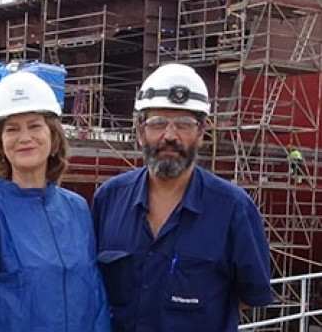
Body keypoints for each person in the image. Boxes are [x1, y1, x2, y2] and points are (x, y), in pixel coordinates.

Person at [92, 63, 273, 331]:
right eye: (158, 123)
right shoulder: (108, 199)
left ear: (201, 133)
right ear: (141, 131)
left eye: (184, 124)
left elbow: (251, 294)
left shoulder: (234, 209)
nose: (170, 136)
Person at [0, 71, 110, 331]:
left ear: (53, 135)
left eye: (35, 125)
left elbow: (96, 299)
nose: (25, 137)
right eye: (12, 129)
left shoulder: (77, 209)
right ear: (1, 144)